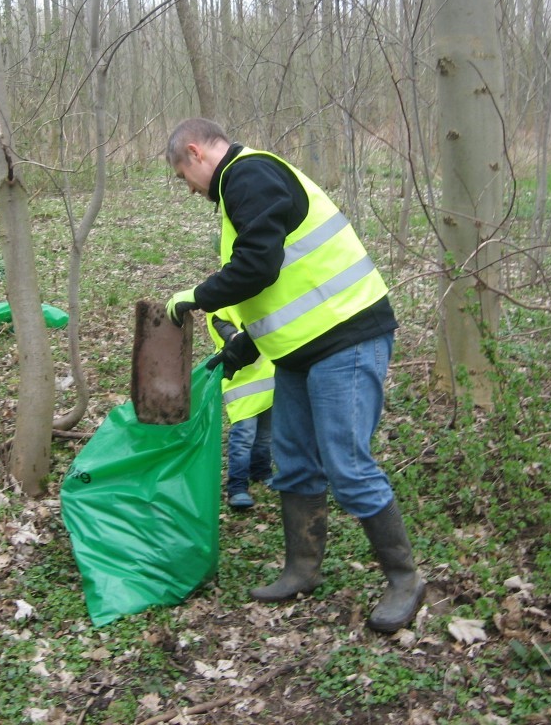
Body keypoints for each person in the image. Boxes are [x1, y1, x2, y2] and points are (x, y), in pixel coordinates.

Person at [164, 117, 425, 633]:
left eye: (181, 176)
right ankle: (301, 568)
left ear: (194, 153)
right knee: (297, 463)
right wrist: (244, 345)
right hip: (298, 352)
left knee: (347, 464)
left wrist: (194, 297)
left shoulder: (249, 174)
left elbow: (257, 266)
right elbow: (281, 286)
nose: (188, 189)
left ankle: (405, 578)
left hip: (346, 338)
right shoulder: (243, 186)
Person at [207, 307, 275, 509]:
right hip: (241, 384)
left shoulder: (259, 295)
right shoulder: (220, 308)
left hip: (269, 382)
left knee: (265, 435)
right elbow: (229, 334)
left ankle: (261, 472)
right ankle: (237, 487)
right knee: (244, 437)